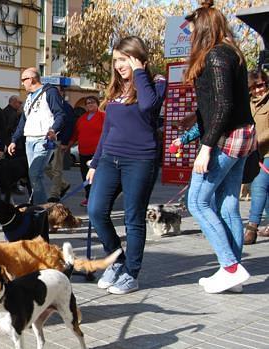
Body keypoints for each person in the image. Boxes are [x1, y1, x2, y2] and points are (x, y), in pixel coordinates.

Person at [183, 0, 255, 294]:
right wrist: (192, 131)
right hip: (241, 136)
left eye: (190, 30)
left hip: (225, 139)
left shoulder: (215, 56)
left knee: (197, 202)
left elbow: (223, 106)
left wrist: (206, 147)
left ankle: (230, 267)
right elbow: (221, 104)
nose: (188, 36)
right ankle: (232, 272)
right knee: (227, 205)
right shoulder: (232, 54)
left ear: (202, 29)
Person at [86, 36, 166, 295]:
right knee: (96, 211)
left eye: (124, 59)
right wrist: (95, 163)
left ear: (137, 57)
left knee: (133, 218)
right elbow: (107, 129)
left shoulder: (155, 84)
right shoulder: (115, 90)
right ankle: (116, 259)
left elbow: (148, 107)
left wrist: (139, 71)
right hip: (110, 158)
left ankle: (131, 273)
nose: (119, 66)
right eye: (116, 61)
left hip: (140, 160)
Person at [9, 68, 67, 205]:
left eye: (23, 80)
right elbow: (23, 121)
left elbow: (60, 114)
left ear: (32, 79)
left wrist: (53, 129)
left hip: (43, 139)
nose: (22, 83)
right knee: (33, 175)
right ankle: (39, 205)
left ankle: (41, 208)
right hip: (29, 139)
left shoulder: (50, 92)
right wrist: (14, 140)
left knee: (35, 173)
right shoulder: (29, 97)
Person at [244, 69, 269, 244]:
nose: (258, 90)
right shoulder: (249, 103)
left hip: (267, 152)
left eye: (261, 85)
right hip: (255, 154)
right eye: (254, 87)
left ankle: (251, 229)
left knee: (258, 187)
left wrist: (256, 141)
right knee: (265, 190)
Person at [67, 96, 106, 207]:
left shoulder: (103, 116)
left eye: (92, 102)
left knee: (98, 177)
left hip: (97, 153)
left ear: (97, 104)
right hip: (83, 153)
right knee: (86, 177)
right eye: (88, 103)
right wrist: (69, 145)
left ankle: (99, 199)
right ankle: (88, 198)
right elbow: (75, 134)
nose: (90, 104)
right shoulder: (82, 118)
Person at [45, 86, 76, 202]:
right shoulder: (49, 105)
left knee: (56, 168)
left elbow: (70, 125)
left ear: (62, 93)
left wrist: (65, 142)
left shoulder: (66, 107)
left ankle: (54, 194)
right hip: (48, 141)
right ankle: (63, 184)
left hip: (60, 140)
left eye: (58, 91)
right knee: (45, 167)